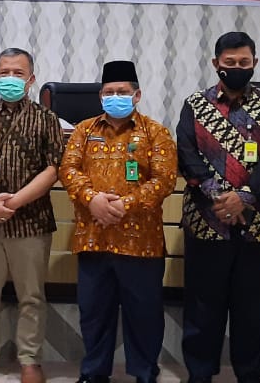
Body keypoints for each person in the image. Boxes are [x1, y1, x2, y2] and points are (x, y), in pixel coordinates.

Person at [176, 32, 260, 383]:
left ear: (255, 63)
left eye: (244, 62)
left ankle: (249, 375)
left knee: (253, 310)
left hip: (256, 224)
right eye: (230, 63)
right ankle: (199, 374)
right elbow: (186, 153)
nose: (238, 68)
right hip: (205, 220)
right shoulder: (195, 104)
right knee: (202, 308)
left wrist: (243, 196)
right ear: (216, 64)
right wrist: (218, 195)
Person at [61, 60, 178, 383]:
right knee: (94, 314)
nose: (115, 97)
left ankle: (144, 372)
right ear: (100, 96)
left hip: (141, 242)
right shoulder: (84, 130)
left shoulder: (155, 132)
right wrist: (92, 200)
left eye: (122, 92)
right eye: (109, 92)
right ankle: (94, 373)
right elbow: (68, 169)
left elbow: (164, 179)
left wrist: (124, 204)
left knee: (144, 315)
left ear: (136, 95)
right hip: (93, 238)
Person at [0, 48, 63, 383]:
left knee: (31, 296)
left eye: (18, 73)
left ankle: (30, 360)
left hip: (31, 221)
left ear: (31, 79)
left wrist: (16, 201)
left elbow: (54, 168)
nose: (10, 78)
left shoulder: (47, 119)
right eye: (4, 72)